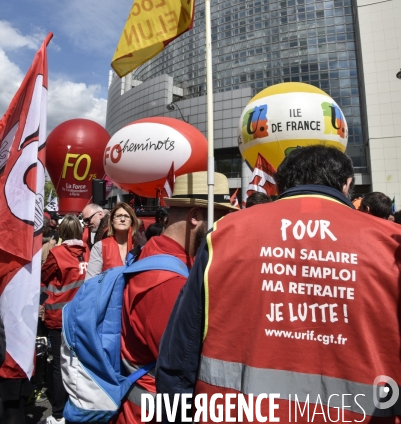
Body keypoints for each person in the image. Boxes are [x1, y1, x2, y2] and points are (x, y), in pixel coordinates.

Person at [157, 145, 401, 423]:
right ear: (347, 185)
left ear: (281, 184)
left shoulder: (225, 234)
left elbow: (181, 353)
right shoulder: (391, 243)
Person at [116, 171, 238, 424]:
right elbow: (185, 365)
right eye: (220, 218)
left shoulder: (159, 254)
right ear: (195, 217)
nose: (223, 228)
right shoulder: (169, 283)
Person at [41, 214, 89, 424]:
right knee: (81, 363)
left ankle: (59, 413)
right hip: (82, 316)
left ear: (61, 232)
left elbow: (43, 276)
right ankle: (80, 405)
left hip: (59, 316)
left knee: (59, 364)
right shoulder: (88, 251)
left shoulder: (57, 253)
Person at [85, 202, 138, 280]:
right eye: (119, 216)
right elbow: (90, 281)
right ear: (112, 221)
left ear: (132, 221)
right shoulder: (100, 246)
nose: (122, 219)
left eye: (126, 216)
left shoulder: (138, 246)